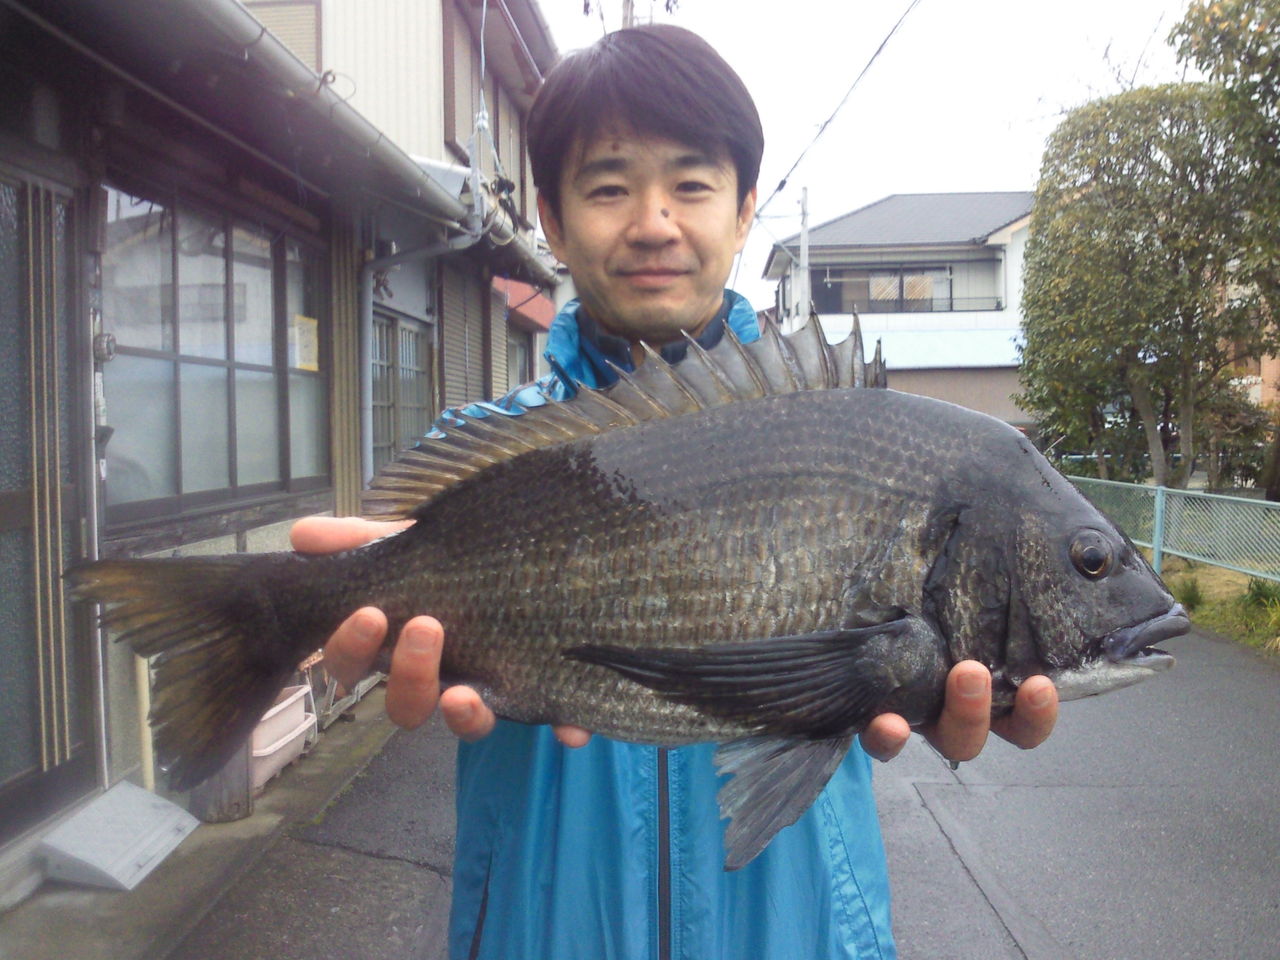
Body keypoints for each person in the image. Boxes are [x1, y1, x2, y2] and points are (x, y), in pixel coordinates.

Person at [291, 24, 1059, 960]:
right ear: (553, 217)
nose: (653, 221)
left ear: (743, 213)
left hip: (800, 931)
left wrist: (952, 684)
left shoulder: (850, 427)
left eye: (691, 184)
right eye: (609, 186)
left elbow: (887, 690)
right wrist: (357, 620)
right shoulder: (480, 454)